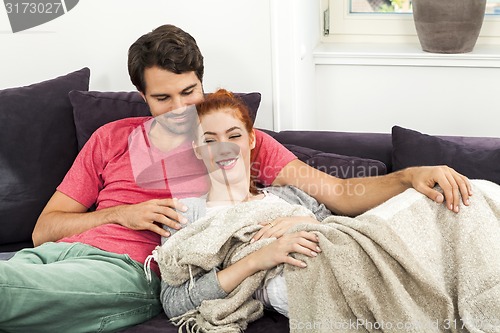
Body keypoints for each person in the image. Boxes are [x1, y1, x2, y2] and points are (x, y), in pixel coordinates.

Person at [0, 23, 472, 332]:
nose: (181, 109)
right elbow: (44, 230)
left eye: (190, 92)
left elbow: (340, 193)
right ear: (141, 95)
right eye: (163, 98)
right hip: (61, 255)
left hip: (132, 271)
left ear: (202, 82)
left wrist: (409, 174)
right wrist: (126, 211)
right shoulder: (110, 137)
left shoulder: (235, 141)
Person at [155, 89, 500, 333]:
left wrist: (304, 220)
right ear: (198, 149)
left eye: (234, 135)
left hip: (352, 255)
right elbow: (173, 302)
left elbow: (343, 229)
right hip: (304, 281)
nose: (224, 148)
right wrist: (259, 259)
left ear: (251, 141)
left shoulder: (288, 195)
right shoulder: (189, 213)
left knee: (473, 195)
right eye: (211, 139)